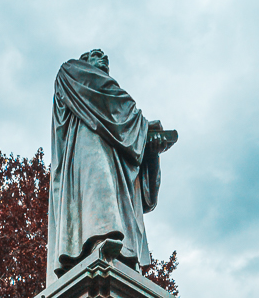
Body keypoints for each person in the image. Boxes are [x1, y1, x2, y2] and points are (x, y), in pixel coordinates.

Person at [47, 49, 177, 278]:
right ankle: (97, 238)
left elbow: (144, 197)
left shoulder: (126, 133)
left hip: (125, 251)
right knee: (96, 164)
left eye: (106, 57)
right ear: (84, 61)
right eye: (97, 54)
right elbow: (109, 99)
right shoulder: (70, 74)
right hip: (87, 156)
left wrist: (151, 152)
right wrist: (142, 129)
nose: (104, 58)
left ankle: (119, 251)